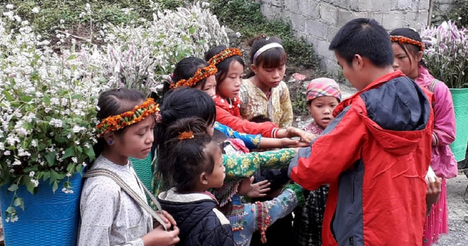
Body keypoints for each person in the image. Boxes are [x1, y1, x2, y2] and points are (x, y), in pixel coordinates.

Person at [289, 18, 434, 246]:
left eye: (342, 65)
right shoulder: (421, 98)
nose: (344, 73)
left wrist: (296, 156)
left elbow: (311, 169)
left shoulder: (359, 112)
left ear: (357, 61)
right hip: (405, 226)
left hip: (364, 232)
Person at [155, 87, 305, 245]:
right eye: (212, 123)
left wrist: (282, 139)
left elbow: (237, 134)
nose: (216, 127)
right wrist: (301, 153)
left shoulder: (172, 151)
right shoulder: (205, 161)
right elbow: (254, 160)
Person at [78, 88, 180, 246]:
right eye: (141, 133)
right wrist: (147, 242)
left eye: (151, 129)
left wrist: (149, 219)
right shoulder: (104, 188)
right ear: (110, 137)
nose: (150, 139)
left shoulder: (125, 166)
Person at [390, 28, 457, 245]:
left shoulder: (438, 90)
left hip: (428, 171)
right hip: (397, 167)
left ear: (419, 57)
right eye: (390, 58)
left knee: (422, 229)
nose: (395, 64)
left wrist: (418, 138)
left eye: (401, 57)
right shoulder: (388, 85)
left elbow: (447, 133)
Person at [165, 56, 309, 150]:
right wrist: (286, 145)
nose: (212, 94)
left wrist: (283, 138)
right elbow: (238, 133)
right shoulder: (187, 136)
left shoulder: (215, 109)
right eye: (206, 88)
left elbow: (234, 134)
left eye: (213, 87)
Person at [205, 45, 313, 142]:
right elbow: (239, 127)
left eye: (241, 77)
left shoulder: (232, 99)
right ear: (215, 77)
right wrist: (281, 134)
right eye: (232, 77)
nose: (238, 83)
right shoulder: (214, 107)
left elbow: (287, 118)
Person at [158, 117, 234, 246]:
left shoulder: (162, 209)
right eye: (220, 165)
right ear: (204, 178)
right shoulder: (216, 222)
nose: (224, 169)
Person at [293, 77, 341, 246]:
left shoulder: (344, 131)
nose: (326, 111)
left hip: (337, 197)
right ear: (309, 107)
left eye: (332, 105)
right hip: (310, 199)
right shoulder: (305, 136)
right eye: (319, 106)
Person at [239, 35, 293, 128]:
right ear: (254, 68)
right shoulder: (242, 91)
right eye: (269, 70)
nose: (276, 75)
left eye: (280, 68)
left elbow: (286, 121)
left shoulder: (281, 88)